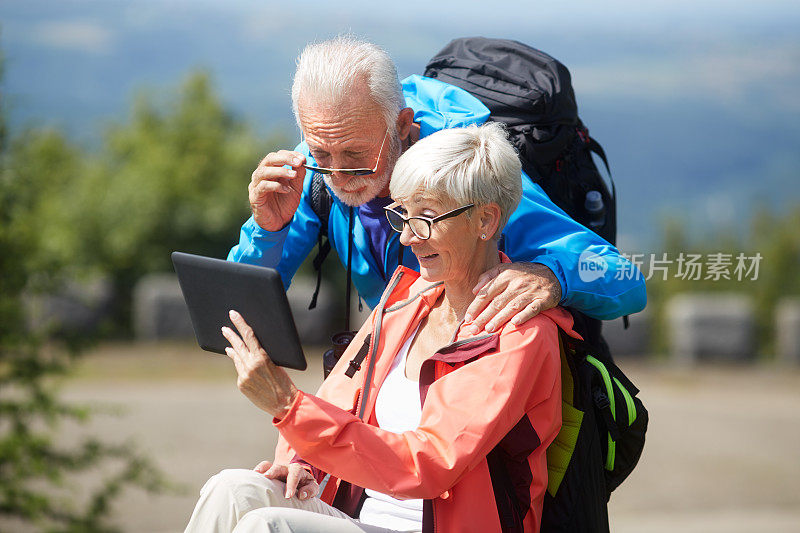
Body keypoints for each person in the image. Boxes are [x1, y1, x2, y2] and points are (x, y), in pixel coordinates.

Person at [185, 123, 584, 532]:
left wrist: (288, 406)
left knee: (266, 528)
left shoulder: (519, 333)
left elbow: (430, 462)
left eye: (426, 218)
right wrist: (299, 463)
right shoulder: (406, 299)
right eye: (402, 215)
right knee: (231, 489)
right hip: (362, 519)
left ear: (485, 220)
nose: (408, 238)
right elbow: (338, 400)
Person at [228, 35, 646, 335]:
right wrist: (268, 231)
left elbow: (623, 278)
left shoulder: (469, 170)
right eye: (321, 154)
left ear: (403, 126)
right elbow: (240, 307)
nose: (338, 175)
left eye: (356, 157)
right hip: (398, 367)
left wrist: (552, 275)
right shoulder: (325, 153)